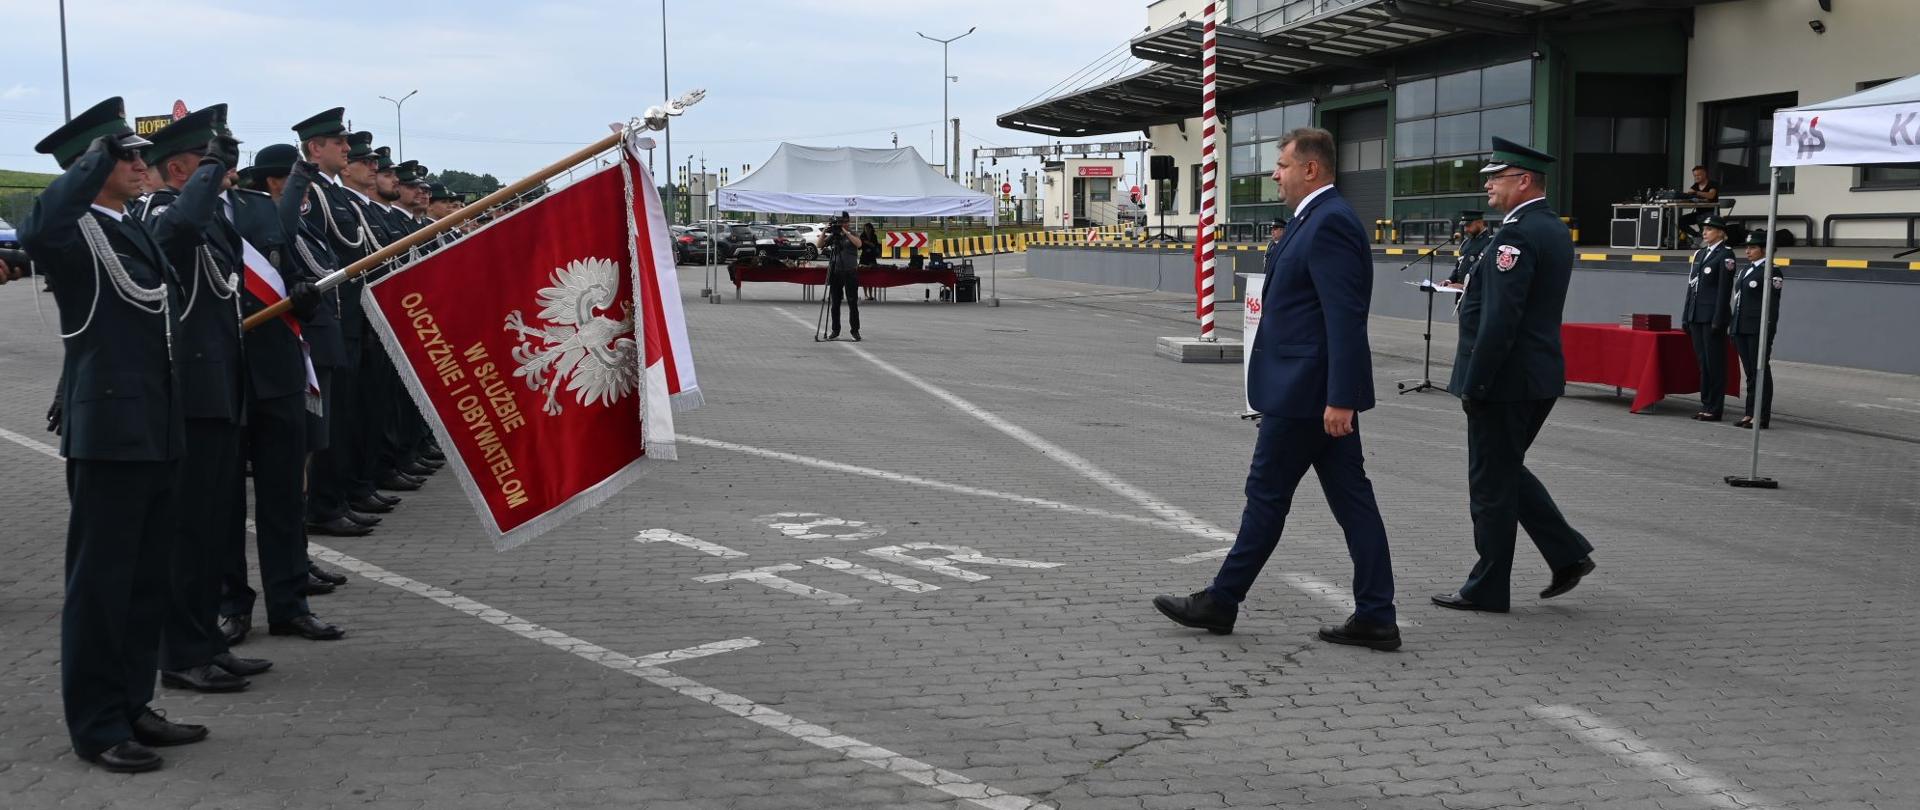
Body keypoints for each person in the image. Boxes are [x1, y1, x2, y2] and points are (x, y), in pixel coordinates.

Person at [1152, 127, 1399, 651]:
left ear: (1311, 169)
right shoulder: (1311, 220)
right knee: (1353, 502)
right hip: (1309, 394)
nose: (1274, 174)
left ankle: (1222, 601)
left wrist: (1341, 397)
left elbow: (1345, 319)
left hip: (1306, 398)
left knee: (1266, 499)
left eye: (1282, 165)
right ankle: (1376, 613)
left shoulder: (1329, 222)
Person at [23, 96, 210, 773]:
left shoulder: (127, 227)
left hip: (154, 426)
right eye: (125, 155)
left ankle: (134, 704)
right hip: (108, 430)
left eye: (138, 153)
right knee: (101, 585)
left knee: (142, 581)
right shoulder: (73, 233)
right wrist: (90, 159)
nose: (141, 163)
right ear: (91, 164)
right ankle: (97, 725)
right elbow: (38, 227)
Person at [138, 105, 278, 691]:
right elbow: (181, 228)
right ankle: (180, 653)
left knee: (218, 527)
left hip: (222, 389)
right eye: (210, 162)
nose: (225, 172)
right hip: (191, 394)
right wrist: (207, 170)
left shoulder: (210, 215)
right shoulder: (165, 209)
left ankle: (207, 641)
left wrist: (213, 163)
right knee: (189, 533)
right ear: (177, 168)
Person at [1434, 136, 1595, 615]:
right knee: (1505, 472)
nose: (1487, 185)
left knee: (1489, 484)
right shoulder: (1549, 228)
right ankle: (1567, 554)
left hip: (1505, 381)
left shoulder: (1516, 235)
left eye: (1495, 178)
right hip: (1534, 375)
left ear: (1524, 181)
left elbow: (1501, 319)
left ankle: (1487, 587)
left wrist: (1476, 383)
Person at [1682, 214, 1736, 422]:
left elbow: (1724, 291)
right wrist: (1686, 313)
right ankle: (1706, 404)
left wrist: (1718, 319)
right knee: (1703, 363)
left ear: (1721, 232)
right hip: (1697, 314)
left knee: (1715, 363)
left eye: (1710, 229)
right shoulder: (1700, 254)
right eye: (1704, 229)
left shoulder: (1725, 255)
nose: (1704, 232)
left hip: (1712, 317)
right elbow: (1691, 286)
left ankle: (1715, 407)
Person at [1730, 230, 1784, 429]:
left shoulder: (1772, 271)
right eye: (1747, 247)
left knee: (1760, 370)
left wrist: (1767, 330)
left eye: (1753, 247)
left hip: (1757, 329)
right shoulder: (1746, 270)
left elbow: (1772, 305)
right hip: (1742, 327)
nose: (1748, 251)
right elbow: (1738, 301)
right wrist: (1733, 326)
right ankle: (1749, 412)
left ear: (1764, 249)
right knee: (1750, 372)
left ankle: (1761, 415)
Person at [823, 212, 863, 340]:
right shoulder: (834, 235)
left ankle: (855, 331)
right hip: (836, 271)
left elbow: (859, 244)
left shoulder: (852, 233)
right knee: (835, 302)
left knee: (852, 302)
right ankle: (835, 330)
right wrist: (825, 231)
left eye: (846, 222)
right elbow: (819, 244)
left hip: (850, 271)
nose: (844, 224)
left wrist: (846, 233)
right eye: (841, 222)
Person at [1446, 210, 1492, 288]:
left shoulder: (1490, 242)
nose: (1465, 229)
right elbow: (1459, 267)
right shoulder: (1466, 242)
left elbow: (1487, 274)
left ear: (1479, 222)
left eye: (1468, 225)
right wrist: (1449, 280)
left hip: (1477, 295)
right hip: (1461, 294)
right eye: (1464, 226)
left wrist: (1464, 286)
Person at [1678, 165, 1721, 244]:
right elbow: (1689, 195)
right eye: (1695, 175)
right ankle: (1697, 235)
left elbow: (1711, 195)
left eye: (1699, 175)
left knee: (1700, 218)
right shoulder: (1695, 185)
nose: (1697, 177)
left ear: (1705, 174)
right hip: (1699, 213)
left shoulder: (1713, 184)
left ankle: (1704, 240)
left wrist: (1697, 193)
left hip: (1712, 213)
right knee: (1680, 220)